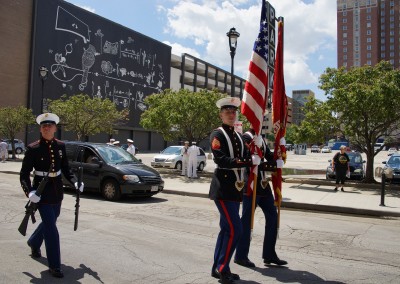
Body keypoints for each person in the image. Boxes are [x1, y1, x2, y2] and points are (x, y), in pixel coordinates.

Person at [19, 113, 84, 278]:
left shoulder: (60, 146)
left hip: (57, 191)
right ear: (41, 129)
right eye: (43, 126)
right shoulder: (33, 148)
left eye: (50, 125)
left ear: (55, 128)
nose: (46, 128)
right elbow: (24, 174)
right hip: (41, 193)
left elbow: (66, 168)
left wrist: (75, 182)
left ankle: (33, 241)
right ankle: (55, 265)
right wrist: (30, 192)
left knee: (51, 221)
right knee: (51, 228)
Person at [209, 97, 256, 284]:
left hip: (236, 188)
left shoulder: (237, 135)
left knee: (226, 229)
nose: (231, 114)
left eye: (233, 112)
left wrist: (256, 150)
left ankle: (219, 267)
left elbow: (246, 154)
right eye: (227, 112)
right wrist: (247, 161)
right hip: (223, 187)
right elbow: (220, 159)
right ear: (221, 115)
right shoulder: (217, 134)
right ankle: (223, 268)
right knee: (236, 229)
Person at [234, 127, 287, 268]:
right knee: (246, 221)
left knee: (273, 217)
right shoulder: (246, 137)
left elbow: (268, 156)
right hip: (251, 184)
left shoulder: (260, 138)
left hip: (263, 185)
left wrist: (278, 157)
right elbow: (248, 161)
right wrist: (266, 163)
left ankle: (269, 254)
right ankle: (240, 255)